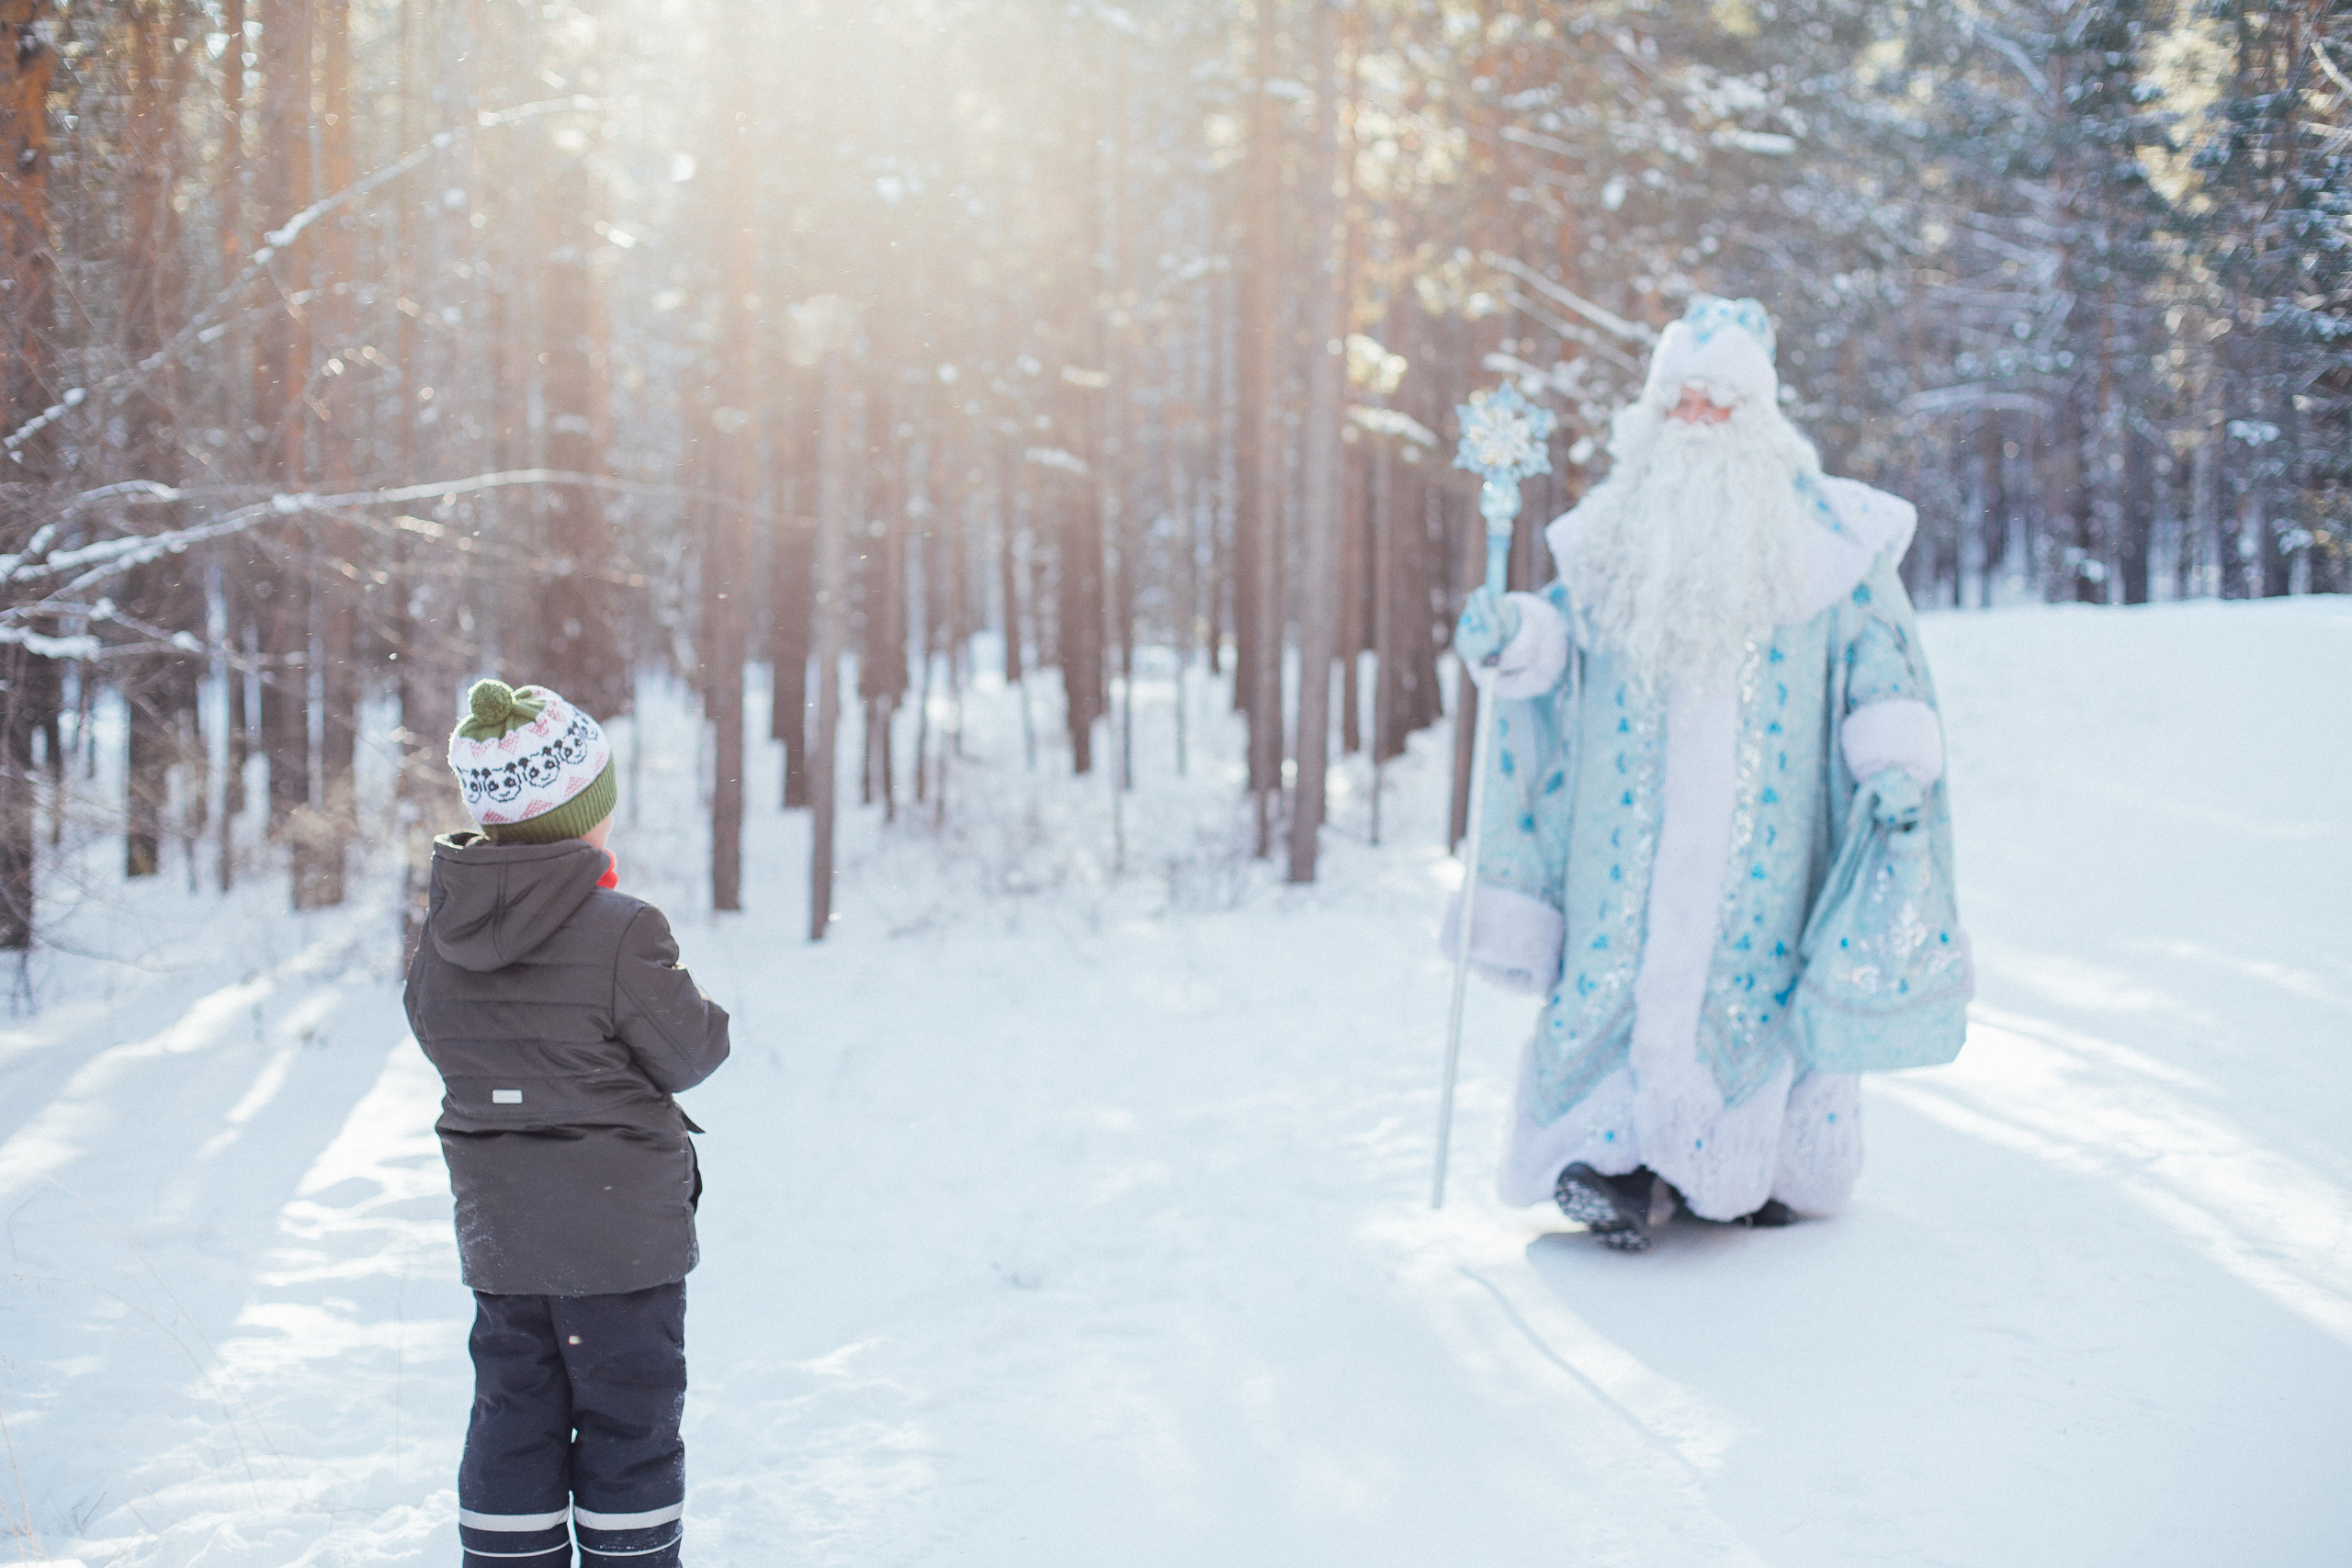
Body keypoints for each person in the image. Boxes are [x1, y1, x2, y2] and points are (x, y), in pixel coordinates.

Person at [1449, 295, 1966, 1251]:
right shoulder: (1613, 533)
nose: (1693, 423)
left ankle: (1752, 1169)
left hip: (1761, 851)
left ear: (1756, 417)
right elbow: (1560, 635)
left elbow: (1877, 656)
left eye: (1714, 404)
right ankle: (1608, 1166)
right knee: (1614, 983)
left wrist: (1893, 763)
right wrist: (1514, 635)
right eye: (1677, 403)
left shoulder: (1823, 540)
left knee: (1748, 996)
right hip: (1624, 844)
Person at [406, 678, 730, 1566]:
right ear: (585, 812)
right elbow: (692, 1051)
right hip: (621, 1236)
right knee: (629, 1416)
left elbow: (438, 1032)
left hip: (503, 1235)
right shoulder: (622, 929)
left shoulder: (442, 933)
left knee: (512, 1414)